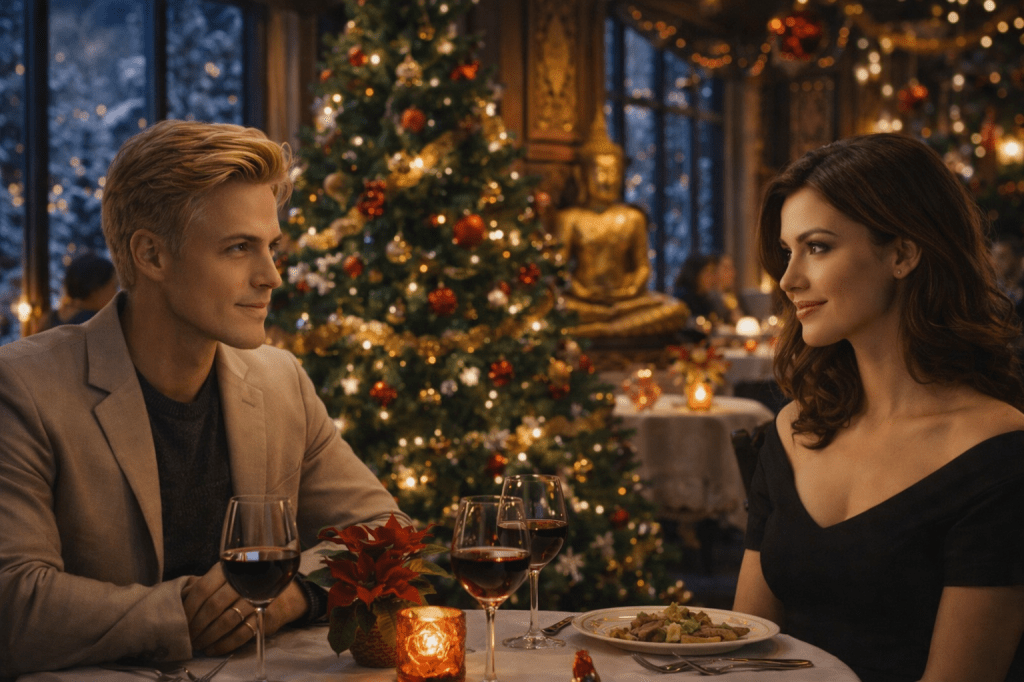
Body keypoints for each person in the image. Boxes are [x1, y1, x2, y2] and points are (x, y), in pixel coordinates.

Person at [0, 120, 410, 676]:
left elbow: (391, 535)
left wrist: (293, 595)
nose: (270, 276)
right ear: (152, 255)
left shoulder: (279, 379)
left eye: (272, 248)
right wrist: (180, 615)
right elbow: (12, 605)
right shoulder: (23, 386)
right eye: (239, 248)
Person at [733, 133, 1024, 682]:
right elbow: (743, 649)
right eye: (787, 251)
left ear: (903, 253)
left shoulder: (999, 451)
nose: (790, 278)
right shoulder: (794, 428)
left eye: (817, 247)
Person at [556, 109, 688, 338]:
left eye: (614, 171)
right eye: (601, 172)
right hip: (584, 302)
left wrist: (631, 289)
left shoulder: (632, 218)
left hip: (625, 304)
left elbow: (642, 267)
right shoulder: (570, 219)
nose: (608, 179)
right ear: (584, 175)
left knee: (675, 310)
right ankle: (605, 327)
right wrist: (579, 290)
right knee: (552, 308)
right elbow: (558, 269)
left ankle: (601, 330)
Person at [45, 251, 119, 328]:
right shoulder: (96, 324)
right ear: (96, 290)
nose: (116, 293)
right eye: (114, 286)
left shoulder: (52, 319)